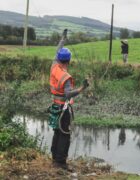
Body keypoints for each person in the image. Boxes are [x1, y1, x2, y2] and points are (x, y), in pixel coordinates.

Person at [49, 29, 89, 170]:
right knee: (65, 134)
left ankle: (54, 158)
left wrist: (63, 38)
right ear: (69, 60)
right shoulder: (66, 77)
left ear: (59, 58)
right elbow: (67, 94)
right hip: (63, 108)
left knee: (57, 132)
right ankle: (60, 163)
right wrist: (82, 88)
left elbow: (57, 50)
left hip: (55, 106)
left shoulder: (54, 65)